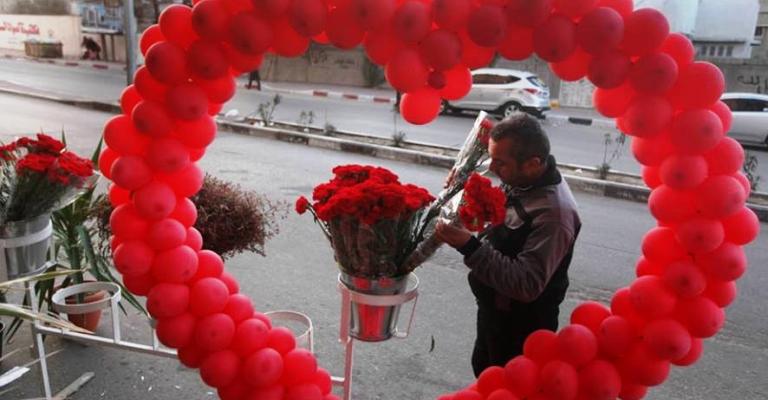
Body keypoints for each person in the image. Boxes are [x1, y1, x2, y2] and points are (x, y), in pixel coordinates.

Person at [435, 113, 581, 378]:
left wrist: (469, 246)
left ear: (533, 163)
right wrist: (464, 195)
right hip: (495, 315)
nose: (492, 168)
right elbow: (498, 220)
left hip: (522, 331)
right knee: (484, 373)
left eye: (501, 163)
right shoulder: (524, 181)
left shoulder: (554, 215)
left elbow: (526, 284)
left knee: (508, 388)